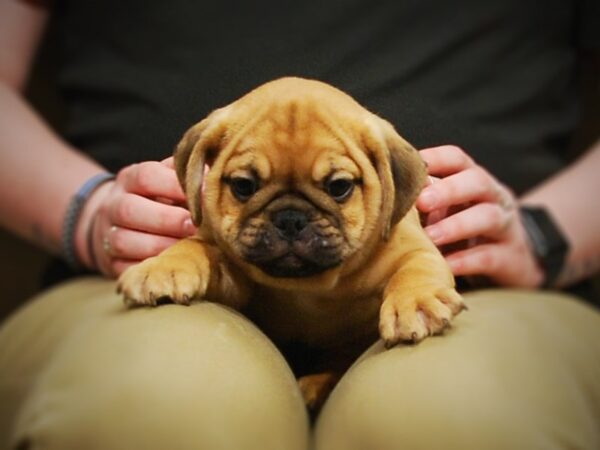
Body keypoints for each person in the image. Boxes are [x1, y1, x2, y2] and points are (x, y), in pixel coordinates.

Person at [0, 0, 599, 449]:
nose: (289, 223)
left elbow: (416, 262)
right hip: (127, 267)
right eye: (246, 185)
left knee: (447, 416)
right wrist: (84, 211)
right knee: (164, 407)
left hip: (498, 286)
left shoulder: (399, 229)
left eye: (336, 188)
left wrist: (549, 234)